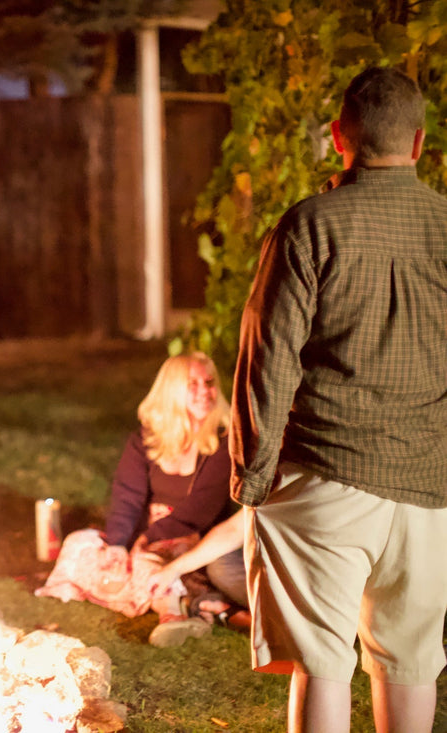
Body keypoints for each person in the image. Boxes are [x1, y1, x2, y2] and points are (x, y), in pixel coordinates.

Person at [231, 65, 447, 733]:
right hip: (428, 482)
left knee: (323, 658)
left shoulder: (308, 225)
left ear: (338, 138)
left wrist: (253, 474)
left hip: (326, 474)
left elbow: (268, 358)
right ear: (417, 144)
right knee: (410, 658)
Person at [36, 351, 238, 647]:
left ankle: (172, 616)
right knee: (81, 542)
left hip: (188, 535)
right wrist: (119, 542)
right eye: (192, 384)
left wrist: (147, 539)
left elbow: (202, 508)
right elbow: (127, 494)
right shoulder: (145, 439)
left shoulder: (224, 441)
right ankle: (167, 597)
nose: (204, 392)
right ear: (171, 389)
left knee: (146, 561)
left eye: (209, 383)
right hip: (142, 533)